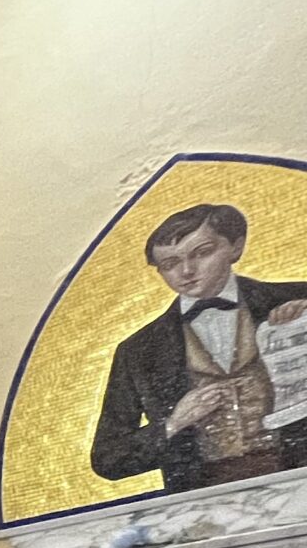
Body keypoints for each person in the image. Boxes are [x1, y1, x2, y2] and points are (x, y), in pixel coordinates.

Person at [90, 202, 307, 493]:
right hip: (202, 497)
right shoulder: (139, 350)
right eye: (170, 264)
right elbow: (109, 458)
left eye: (202, 252)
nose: (187, 271)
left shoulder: (297, 299)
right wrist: (174, 422)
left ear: (235, 247)